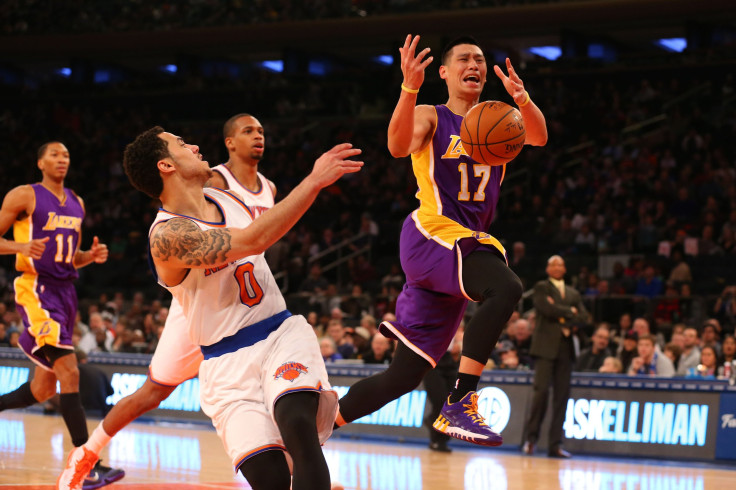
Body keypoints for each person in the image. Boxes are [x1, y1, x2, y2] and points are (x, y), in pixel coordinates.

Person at [116, 126, 361, 490]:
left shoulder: (227, 197)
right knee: (270, 477)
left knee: (297, 424)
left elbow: (256, 207)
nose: (195, 144)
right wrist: (313, 181)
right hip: (224, 364)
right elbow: (254, 239)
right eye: (182, 144)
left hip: (279, 333)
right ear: (165, 164)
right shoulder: (167, 237)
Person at [334, 33, 547, 447]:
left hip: (459, 252)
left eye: (481, 60)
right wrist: (408, 88)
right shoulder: (432, 115)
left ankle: (319, 423)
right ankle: (461, 401)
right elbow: (396, 146)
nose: (476, 65)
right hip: (433, 235)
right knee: (506, 286)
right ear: (445, 73)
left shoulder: (499, 118)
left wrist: (523, 98)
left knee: (404, 375)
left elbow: (537, 137)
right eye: (465, 59)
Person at [63, 114, 281, 483]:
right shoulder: (213, 178)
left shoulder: (269, 187)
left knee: (280, 387)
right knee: (152, 392)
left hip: (244, 300)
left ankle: (295, 474)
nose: (257, 137)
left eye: (260, 131)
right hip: (198, 303)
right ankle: (86, 454)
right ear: (229, 142)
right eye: (248, 131)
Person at [0, 141, 123, 490]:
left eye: (66, 155)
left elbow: (72, 257)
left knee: (43, 388)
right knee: (69, 373)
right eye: (54, 154)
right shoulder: (24, 195)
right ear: (40, 162)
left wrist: (91, 255)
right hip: (36, 288)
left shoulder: (77, 202)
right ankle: (86, 467)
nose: (61, 159)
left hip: (66, 292)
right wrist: (19, 246)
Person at [523, 255, 588, 458]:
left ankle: (555, 445)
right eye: (553, 264)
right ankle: (531, 440)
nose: (557, 267)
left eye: (560, 264)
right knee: (540, 393)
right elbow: (545, 308)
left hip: (566, 349)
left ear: (565, 269)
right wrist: (570, 311)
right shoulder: (542, 287)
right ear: (548, 268)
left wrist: (563, 316)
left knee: (562, 398)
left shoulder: (573, 292)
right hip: (544, 348)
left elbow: (584, 318)